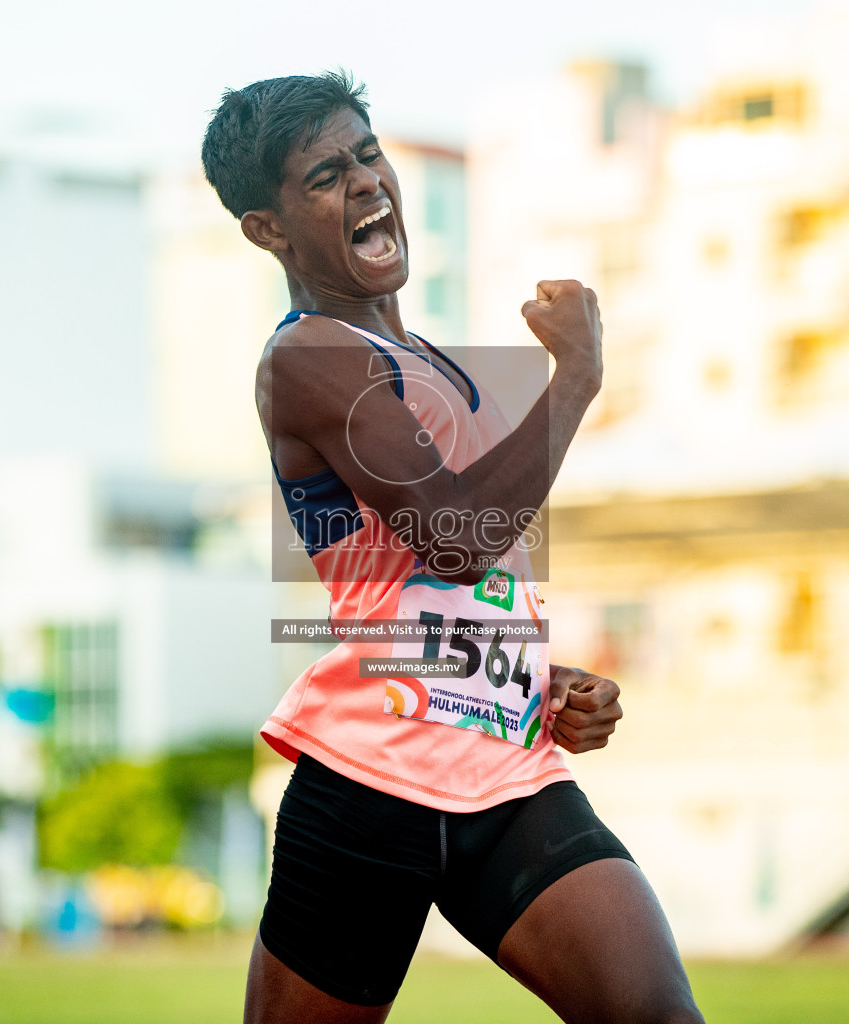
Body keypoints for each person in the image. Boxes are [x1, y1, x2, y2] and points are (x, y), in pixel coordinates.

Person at [202, 73, 705, 1024]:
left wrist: (531, 676)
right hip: (372, 781)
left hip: (506, 770)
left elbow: (450, 584)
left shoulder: (432, 364)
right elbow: (458, 537)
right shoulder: (308, 359)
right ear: (267, 229)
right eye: (324, 176)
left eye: (366, 154)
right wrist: (580, 375)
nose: (363, 182)